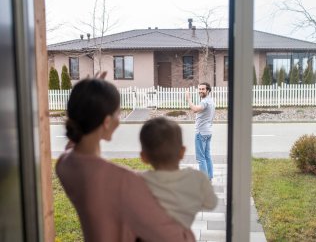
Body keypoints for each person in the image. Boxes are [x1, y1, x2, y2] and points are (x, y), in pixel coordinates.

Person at [56, 73, 195, 242]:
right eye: (118, 113)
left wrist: (86, 97)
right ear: (107, 122)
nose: (119, 119)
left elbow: (73, 144)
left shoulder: (64, 164)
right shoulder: (123, 180)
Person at [139, 117, 218, 229]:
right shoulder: (197, 178)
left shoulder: (139, 182)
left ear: (143, 157)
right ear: (182, 152)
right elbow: (211, 203)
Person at [185, 82, 215, 180]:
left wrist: (188, 99)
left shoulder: (205, 102)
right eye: (199, 89)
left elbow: (194, 109)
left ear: (208, 90)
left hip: (201, 133)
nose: (200, 91)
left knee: (201, 158)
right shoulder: (211, 101)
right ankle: (209, 176)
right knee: (207, 156)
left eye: (203, 89)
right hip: (208, 132)